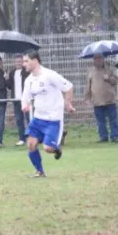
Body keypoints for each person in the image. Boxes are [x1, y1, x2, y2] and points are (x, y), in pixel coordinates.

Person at [21, 50, 75, 178]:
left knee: (47, 148)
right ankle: (40, 171)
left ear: (35, 61)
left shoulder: (50, 75)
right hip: (38, 118)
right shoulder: (29, 80)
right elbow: (25, 96)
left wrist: (68, 104)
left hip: (53, 119)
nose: (24, 64)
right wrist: (25, 105)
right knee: (31, 144)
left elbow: (69, 87)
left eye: (26, 61)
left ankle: (56, 148)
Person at [84, 53, 118, 143]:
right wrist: (87, 98)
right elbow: (88, 85)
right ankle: (103, 137)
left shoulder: (110, 69)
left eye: (99, 58)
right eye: (96, 58)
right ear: (93, 60)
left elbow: (116, 81)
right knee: (100, 121)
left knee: (113, 120)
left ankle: (114, 137)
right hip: (97, 100)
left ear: (103, 59)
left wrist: (108, 78)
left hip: (110, 100)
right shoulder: (90, 70)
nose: (98, 60)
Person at [7, 54, 30, 146]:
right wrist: (6, 79)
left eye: (20, 61)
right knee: (19, 120)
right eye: (17, 61)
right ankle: (22, 138)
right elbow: (9, 86)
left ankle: (33, 137)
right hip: (16, 100)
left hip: (26, 100)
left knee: (29, 119)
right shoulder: (12, 73)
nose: (18, 63)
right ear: (14, 62)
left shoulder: (27, 71)